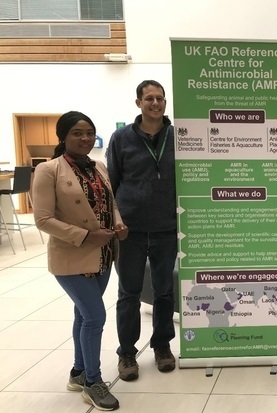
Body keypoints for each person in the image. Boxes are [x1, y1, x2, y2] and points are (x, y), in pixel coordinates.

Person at [33, 111, 128, 411]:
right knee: (95, 317)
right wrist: (86, 236)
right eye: (77, 132)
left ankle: (77, 372)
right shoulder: (48, 170)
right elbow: (43, 219)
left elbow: (109, 204)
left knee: (83, 315)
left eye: (89, 132)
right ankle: (93, 382)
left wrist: (119, 223)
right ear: (63, 136)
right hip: (73, 257)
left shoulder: (98, 167)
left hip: (103, 255)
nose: (85, 138)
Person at [107, 80, 177, 381]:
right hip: (130, 230)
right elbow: (112, 182)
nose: (155, 103)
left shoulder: (177, 135)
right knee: (129, 293)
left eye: (160, 98)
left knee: (164, 291)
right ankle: (127, 352)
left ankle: (162, 346)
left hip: (167, 228)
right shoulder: (121, 138)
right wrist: (117, 218)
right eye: (149, 98)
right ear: (139, 103)